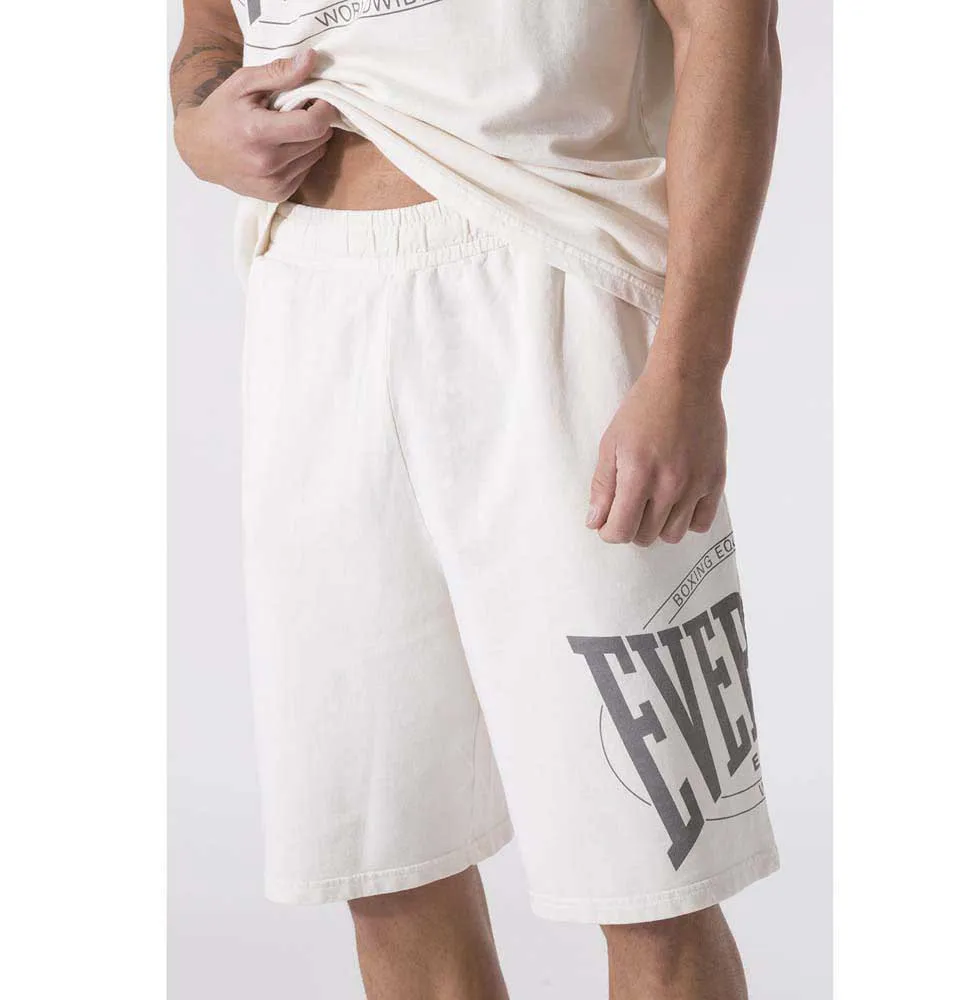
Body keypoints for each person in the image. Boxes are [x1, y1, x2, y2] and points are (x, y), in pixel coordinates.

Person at [171, 1, 782, 996]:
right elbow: (209, 28)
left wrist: (687, 369)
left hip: (552, 278)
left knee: (651, 871)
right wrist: (195, 116)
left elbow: (727, 25)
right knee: (391, 869)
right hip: (308, 300)